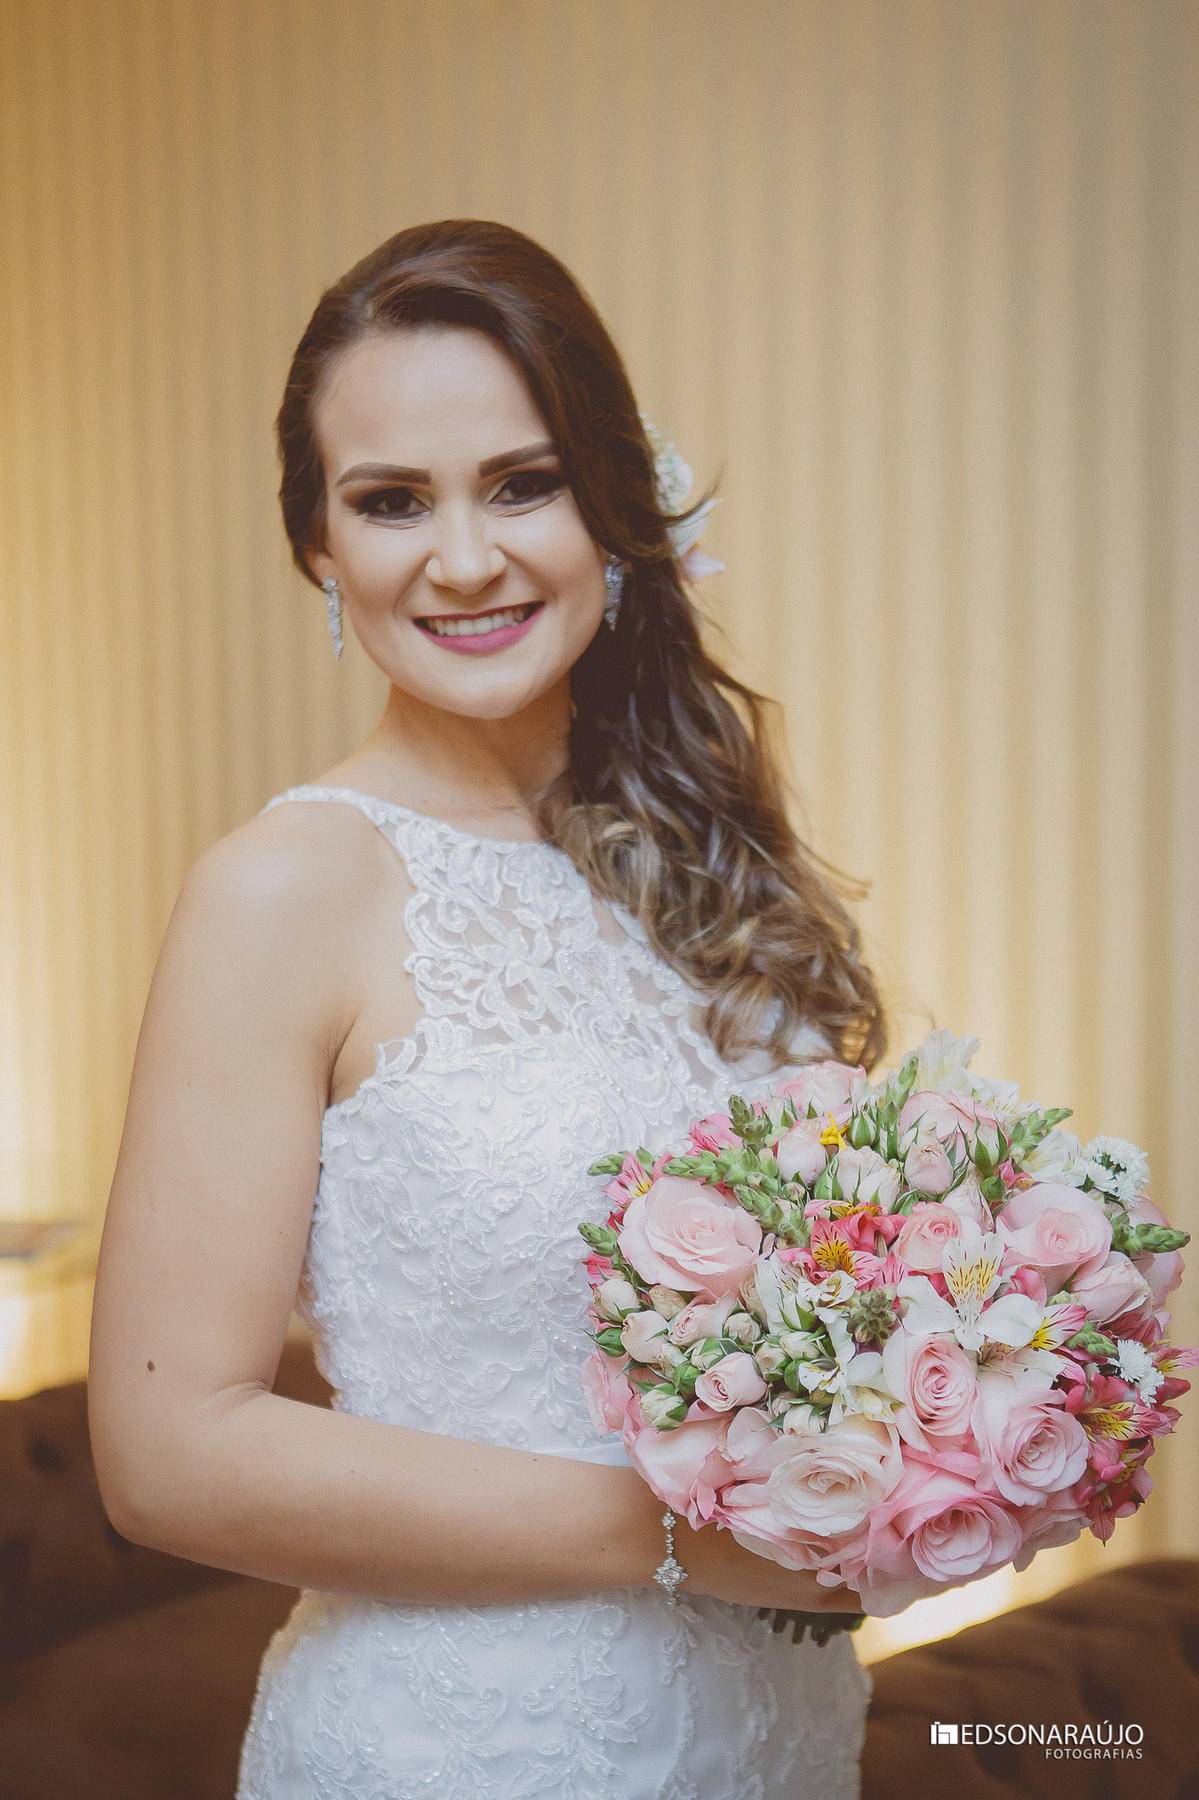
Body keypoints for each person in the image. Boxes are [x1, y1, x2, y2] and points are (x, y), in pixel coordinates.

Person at [88, 219, 887, 1799]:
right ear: (320, 547)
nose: (464, 558)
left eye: (521, 483)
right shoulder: (285, 887)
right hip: (468, 1744)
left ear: (613, 501)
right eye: (392, 502)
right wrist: (692, 1541)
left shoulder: (709, 848)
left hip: (778, 1741)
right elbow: (171, 1452)